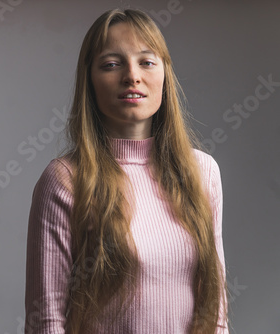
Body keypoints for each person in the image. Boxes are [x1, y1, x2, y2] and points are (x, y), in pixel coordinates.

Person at [24, 8, 229, 334]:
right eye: (111, 64)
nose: (132, 75)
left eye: (147, 61)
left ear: (164, 74)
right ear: (89, 80)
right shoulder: (65, 180)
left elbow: (215, 310)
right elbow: (46, 321)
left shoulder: (202, 172)